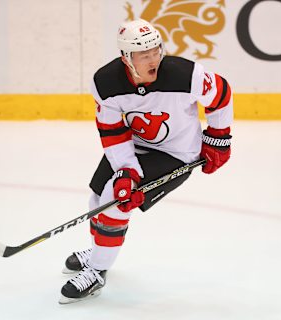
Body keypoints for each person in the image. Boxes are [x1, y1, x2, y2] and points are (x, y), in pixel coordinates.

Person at [59, 19, 233, 304]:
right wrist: (127, 170)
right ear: (127, 58)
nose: (154, 59)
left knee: (114, 200)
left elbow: (222, 94)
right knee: (97, 198)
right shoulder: (105, 83)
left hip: (176, 155)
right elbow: (113, 132)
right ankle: (100, 250)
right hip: (134, 147)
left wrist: (218, 138)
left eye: (156, 51)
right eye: (145, 55)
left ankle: (98, 270)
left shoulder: (185, 75)